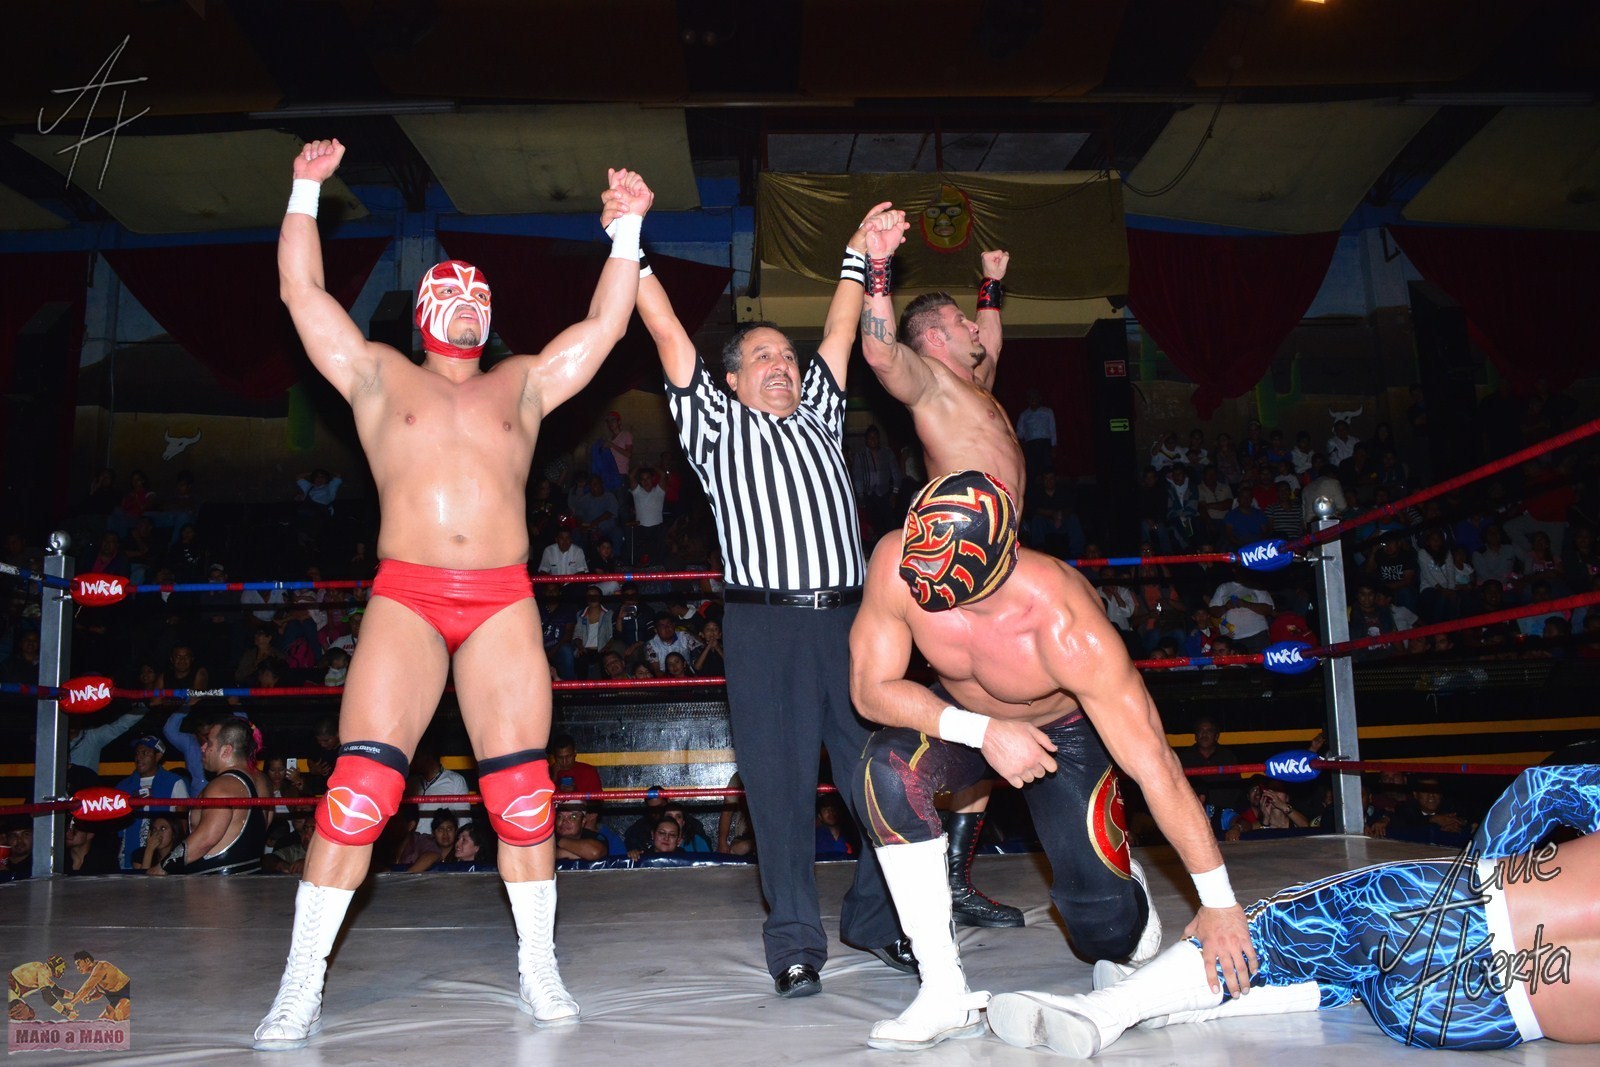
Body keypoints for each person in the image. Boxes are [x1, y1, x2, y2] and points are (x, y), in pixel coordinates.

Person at [254, 140, 652, 1050]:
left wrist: (628, 230)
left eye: (480, 291)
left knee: (525, 796)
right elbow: (302, 295)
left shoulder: (524, 382)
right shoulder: (377, 372)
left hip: (502, 598)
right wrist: (305, 192)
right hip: (409, 595)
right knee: (359, 790)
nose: (467, 297)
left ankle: (538, 963)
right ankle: (299, 980)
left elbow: (603, 327)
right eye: (450, 288)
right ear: (425, 309)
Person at [849, 470, 1253, 1051]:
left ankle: (1124, 892)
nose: (916, 580)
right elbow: (870, 689)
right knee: (887, 771)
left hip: (1061, 736)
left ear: (988, 567)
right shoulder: (899, 561)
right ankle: (942, 991)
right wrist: (984, 731)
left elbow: (1155, 765)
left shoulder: (1066, 625)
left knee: (1104, 932)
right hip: (966, 721)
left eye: (936, 571)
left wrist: (1219, 903)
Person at [628, 182, 909, 997]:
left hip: (851, 624)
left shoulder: (820, 410)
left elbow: (839, 330)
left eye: (786, 356)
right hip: (765, 628)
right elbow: (668, 332)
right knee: (780, 793)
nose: (783, 365)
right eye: (762, 357)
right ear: (732, 378)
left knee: (883, 780)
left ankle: (875, 916)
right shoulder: (715, 425)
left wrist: (858, 252)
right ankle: (794, 942)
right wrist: (631, 244)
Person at [988, 763, 1600, 1055]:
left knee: (1297, 928)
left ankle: (1106, 1011)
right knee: (1358, 975)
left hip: (1449, 918)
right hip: (1477, 1019)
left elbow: (1542, 789)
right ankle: (1174, 1001)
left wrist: (1472, 886)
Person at [857, 231, 1024, 929]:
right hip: (963, 573)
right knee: (984, 713)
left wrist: (990, 285)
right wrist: (878, 267)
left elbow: (991, 343)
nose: (974, 327)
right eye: (961, 320)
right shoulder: (929, 384)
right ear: (933, 338)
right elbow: (879, 353)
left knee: (998, 718)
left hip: (999, 566)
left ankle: (953, 877)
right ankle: (930, 883)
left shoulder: (973, 387)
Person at [149, 717, 268, 876]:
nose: (203, 747)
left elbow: (206, 839)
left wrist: (163, 867)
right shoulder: (262, 781)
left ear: (226, 750)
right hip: (249, 877)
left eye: (209, 743)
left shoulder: (221, 786)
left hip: (217, 885)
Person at [115, 735, 190, 870]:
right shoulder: (123, 786)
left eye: (145, 753)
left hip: (163, 858)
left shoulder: (174, 782)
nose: (139, 757)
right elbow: (117, 829)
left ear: (158, 756)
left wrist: (176, 856)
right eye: (137, 753)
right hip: (129, 857)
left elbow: (182, 825)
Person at [65, 952, 132, 1022]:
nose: (78, 968)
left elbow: (87, 987)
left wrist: (71, 1003)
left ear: (87, 961)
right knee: (101, 1022)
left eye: (78, 964)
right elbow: (99, 993)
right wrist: (90, 998)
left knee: (117, 1016)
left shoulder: (102, 966)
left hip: (128, 996)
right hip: (116, 1001)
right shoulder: (95, 977)